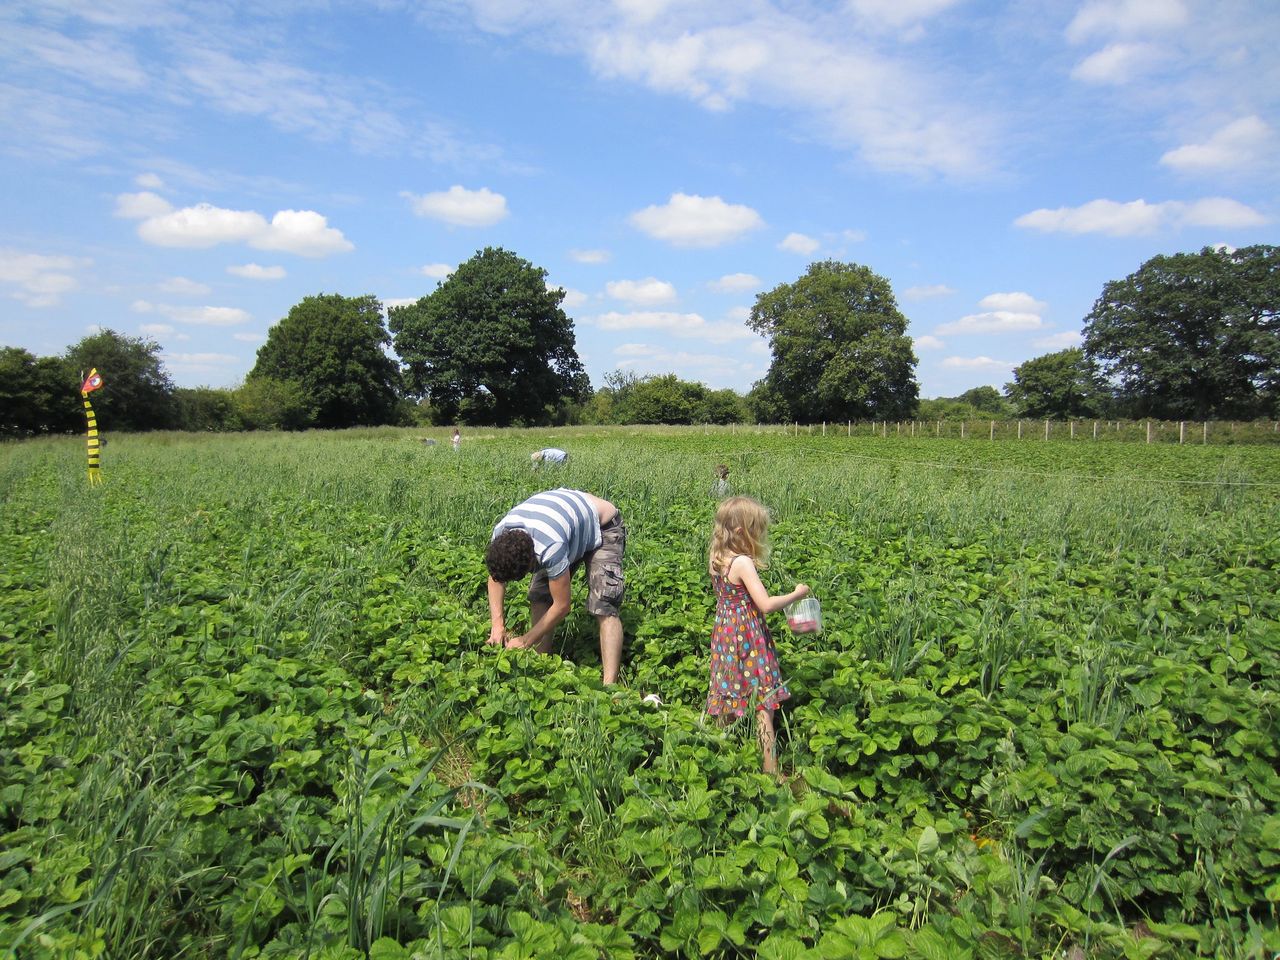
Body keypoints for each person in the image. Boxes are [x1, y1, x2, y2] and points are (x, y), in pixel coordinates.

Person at [706, 496, 808, 776]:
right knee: (764, 702)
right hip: (748, 634)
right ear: (742, 532)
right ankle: (770, 769)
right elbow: (765, 604)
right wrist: (796, 594)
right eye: (757, 530)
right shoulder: (741, 563)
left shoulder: (716, 557)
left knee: (727, 692)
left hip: (725, 631)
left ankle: (716, 754)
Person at [485, 488, 626, 684]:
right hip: (568, 526)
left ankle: (610, 689)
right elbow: (495, 578)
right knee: (539, 596)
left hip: (603, 526)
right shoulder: (501, 534)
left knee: (604, 604)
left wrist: (525, 640)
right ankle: (542, 665)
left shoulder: (550, 547)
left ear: (531, 561)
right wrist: (497, 625)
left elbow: (562, 605)